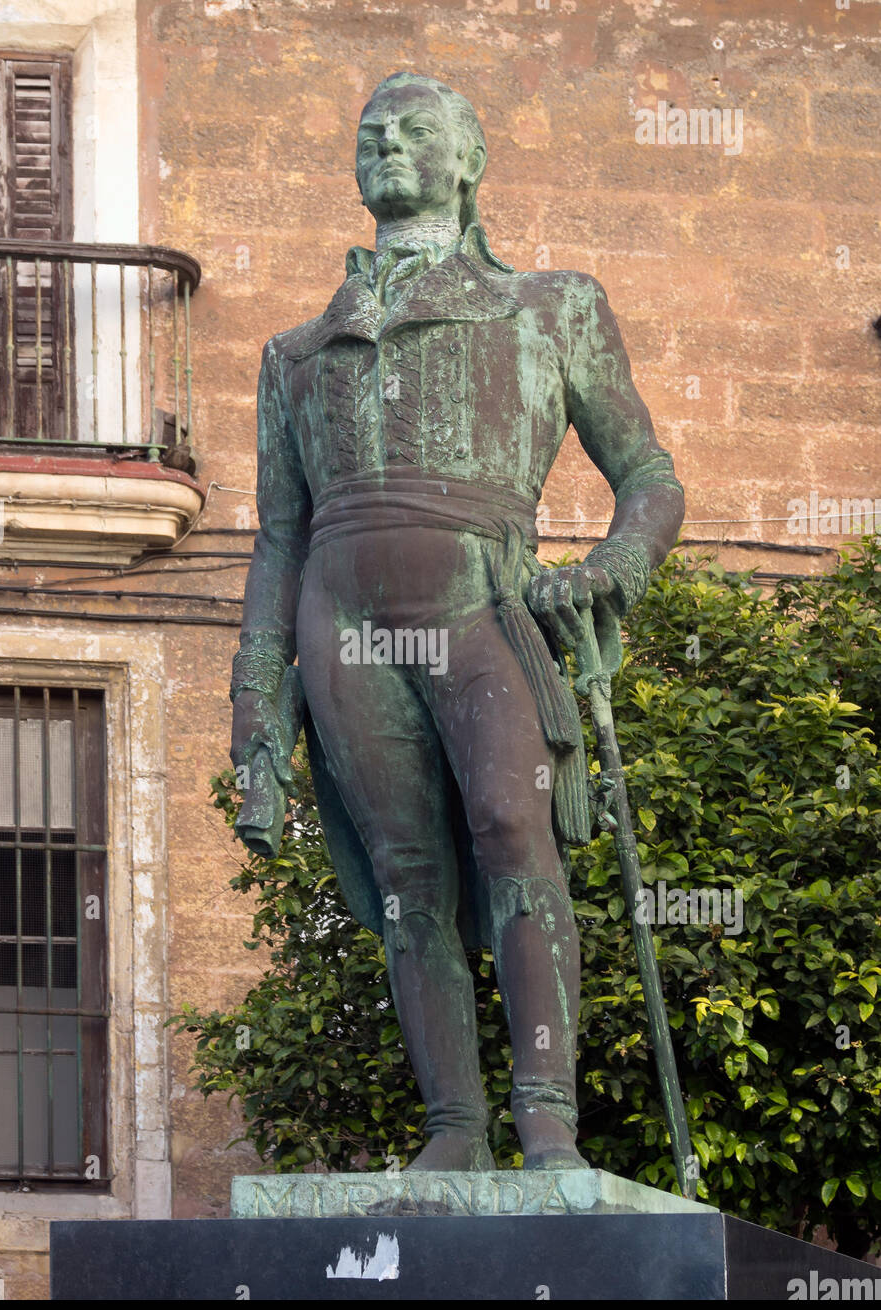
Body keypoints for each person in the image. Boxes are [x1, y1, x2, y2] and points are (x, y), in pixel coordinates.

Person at [230, 72, 684, 1172]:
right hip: (338, 619)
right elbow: (275, 538)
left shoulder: (550, 305)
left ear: (468, 157)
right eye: (368, 130)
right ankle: (452, 1132)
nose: (385, 141)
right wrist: (255, 702)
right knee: (404, 880)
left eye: (412, 129)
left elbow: (648, 475)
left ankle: (547, 1125)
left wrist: (608, 568)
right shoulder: (293, 356)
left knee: (509, 833)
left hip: (482, 599)